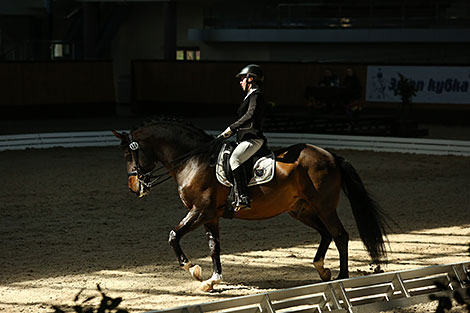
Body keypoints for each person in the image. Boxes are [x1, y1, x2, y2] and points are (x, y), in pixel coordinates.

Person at [218, 64, 267, 211]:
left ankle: (243, 196)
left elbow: (250, 115)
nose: (240, 82)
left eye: (242, 79)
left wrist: (231, 128)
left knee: (235, 159)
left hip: (253, 138)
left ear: (250, 79)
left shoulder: (256, 95)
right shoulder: (250, 95)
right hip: (244, 138)